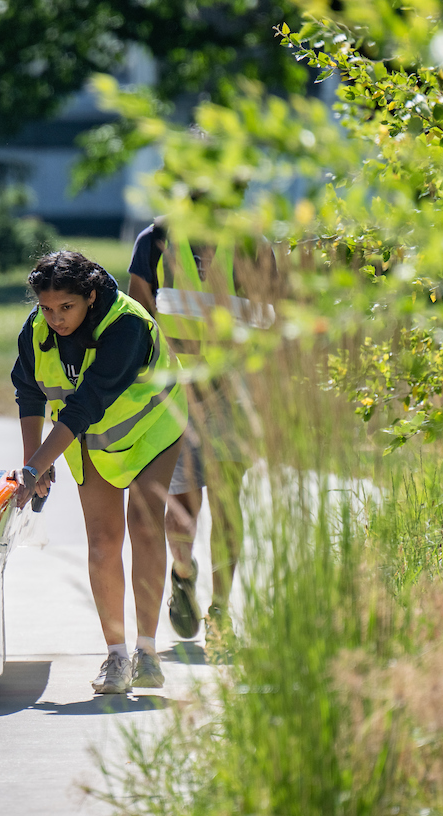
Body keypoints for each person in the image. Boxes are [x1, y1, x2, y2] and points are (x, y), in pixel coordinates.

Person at [11, 250, 188, 695]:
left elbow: (86, 403)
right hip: (93, 438)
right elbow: (29, 391)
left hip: (153, 426)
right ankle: (116, 656)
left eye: (66, 307)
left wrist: (37, 466)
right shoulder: (35, 330)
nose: (55, 318)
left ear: (90, 296)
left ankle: (148, 653)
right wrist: (35, 460)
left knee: (146, 527)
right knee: (103, 541)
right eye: (47, 308)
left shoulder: (126, 325)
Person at [127, 218, 273, 644]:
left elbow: (270, 322)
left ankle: (220, 612)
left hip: (232, 391)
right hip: (175, 393)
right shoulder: (155, 241)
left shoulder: (252, 244)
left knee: (229, 498)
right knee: (183, 508)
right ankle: (183, 574)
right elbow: (140, 322)